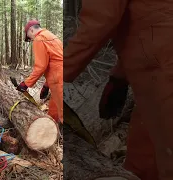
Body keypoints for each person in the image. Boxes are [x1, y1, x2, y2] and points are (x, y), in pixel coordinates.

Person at [64, 0, 173, 180]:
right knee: (144, 154)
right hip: (154, 65)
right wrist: (120, 76)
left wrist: (60, 72)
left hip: (162, 65)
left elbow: (99, 22)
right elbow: (145, 17)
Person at [16, 19, 63, 124]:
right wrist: (46, 86)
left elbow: (41, 66)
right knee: (54, 108)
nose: (31, 39)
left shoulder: (39, 39)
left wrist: (26, 83)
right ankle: (50, 125)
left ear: (31, 30)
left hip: (59, 78)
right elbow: (55, 61)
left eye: (29, 37)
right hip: (60, 76)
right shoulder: (52, 36)